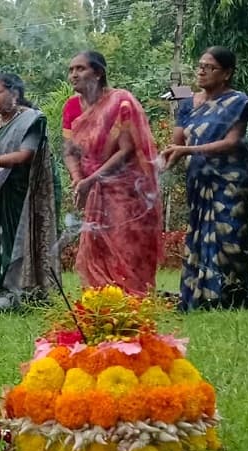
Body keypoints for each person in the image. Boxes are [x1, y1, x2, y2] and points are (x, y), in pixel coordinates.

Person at [161, 46, 248, 311]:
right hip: (198, 181)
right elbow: (176, 145)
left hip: (231, 181)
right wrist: (155, 170)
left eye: (210, 67)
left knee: (229, 236)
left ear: (226, 73)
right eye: (200, 66)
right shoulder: (186, 101)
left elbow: (232, 141)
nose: (201, 71)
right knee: (198, 234)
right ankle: (197, 298)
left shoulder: (238, 102)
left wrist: (188, 151)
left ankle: (230, 298)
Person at [63, 51, 162, 296]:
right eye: (71, 70)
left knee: (124, 244)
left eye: (80, 69)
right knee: (96, 245)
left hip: (127, 189)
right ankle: (102, 301)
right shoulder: (72, 107)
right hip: (93, 188)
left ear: (98, 73)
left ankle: (131, 300)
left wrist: (91, 180)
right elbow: (70, 151)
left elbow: (127, 150)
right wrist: (78, 179)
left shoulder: (121, 102)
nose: (74, 74)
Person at [0, 74, 60, 312]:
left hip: (27, 191)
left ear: (14, 93)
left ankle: (26, 294)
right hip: (0, 192)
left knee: (23, 239)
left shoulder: (32, 119)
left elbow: (26, 156)